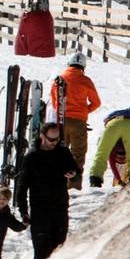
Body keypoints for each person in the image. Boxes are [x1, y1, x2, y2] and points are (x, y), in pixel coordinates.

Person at [15, 122, 79, 259]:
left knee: (59, 253)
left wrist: (73, 173)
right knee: (41, 255)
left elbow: (75, 170)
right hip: (40, 212)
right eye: (51, 139)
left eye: (57, 139)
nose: (54, 143)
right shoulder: (32, 157)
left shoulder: (63, 152)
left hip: (60, 209)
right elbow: (22, 186)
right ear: (42, 136)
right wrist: (24, 212)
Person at [49, 52, 100, 191]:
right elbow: (96, 102)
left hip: (61, 121)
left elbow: (55, 103)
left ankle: (58, 184)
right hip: (79, 123)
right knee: (78, 154)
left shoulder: (59, 79)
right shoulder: (85, 80)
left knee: (59, 152)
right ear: (83, 66)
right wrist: (83, 111)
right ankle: (74, 185)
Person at [88, 116, 130, 188]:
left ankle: (95, 180)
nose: (121, 158)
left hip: (118, 124)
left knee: (102, 154)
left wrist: (119, 180)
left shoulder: (113, 151)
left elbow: (112, 165)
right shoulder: (118, 151)